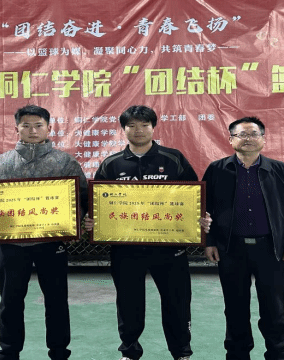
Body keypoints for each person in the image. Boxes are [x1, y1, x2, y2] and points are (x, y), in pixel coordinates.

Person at [85, 105, 209, 360]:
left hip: (170, 248)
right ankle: (129, 352)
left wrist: (200, 217)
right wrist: (92, 222)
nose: (138, 130)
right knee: (128, 303)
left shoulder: (173, 159)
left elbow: (193, 196)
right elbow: (97, 205)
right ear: (123, 129)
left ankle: (182, 353)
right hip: (126, 249)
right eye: (131, 125)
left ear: (153, 127)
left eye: (144, 125)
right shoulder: (111, 164)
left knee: (177, 302)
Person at [0, 105, 88, 360]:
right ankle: (8, 352)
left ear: (49, 128)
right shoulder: (1, 164)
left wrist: (76, 223)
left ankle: (59, 352)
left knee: (56, 301)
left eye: (38, 125)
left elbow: (83, 198)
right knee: (10, 301)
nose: (32, 130)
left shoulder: (65, 162)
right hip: (12, 244)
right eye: (26, 126)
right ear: (16, 128)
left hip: (52, 244)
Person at [202, 116, 284, 360]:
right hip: (231, 249)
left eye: (253, 134)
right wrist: (210, 242)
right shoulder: (217, 170)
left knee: (273, 308)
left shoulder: (280, 170)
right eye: (241, 134)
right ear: (231, 140)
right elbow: (205, 208)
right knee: (235, 307)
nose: (248, 139)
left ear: (263, 139)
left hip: (271, 249)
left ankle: (277, 353)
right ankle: (237, 354)